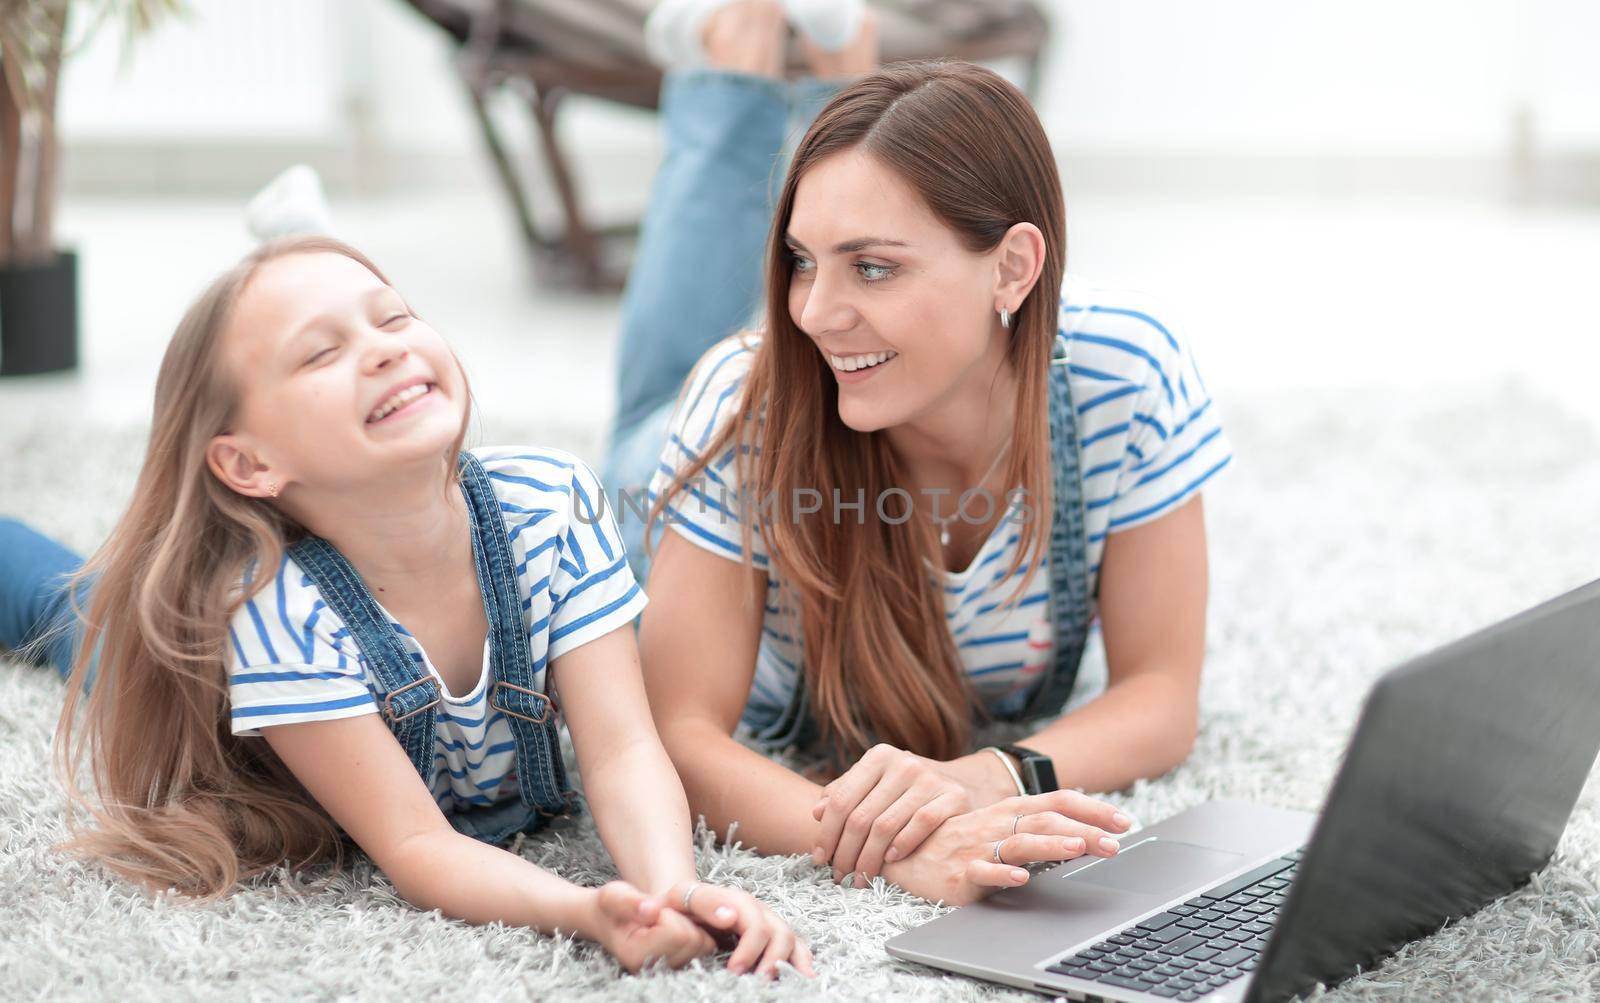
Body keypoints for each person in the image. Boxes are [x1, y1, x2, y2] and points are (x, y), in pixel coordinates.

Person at [0, 235, 811, 978]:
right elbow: (417, 842)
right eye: (323, 351)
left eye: (394, 316)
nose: (385, 347)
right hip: (207, 671)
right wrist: (580, 911)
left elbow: (624, 749)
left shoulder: (553, 501)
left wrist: (670, 888)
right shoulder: (268, 610)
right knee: (81, 610)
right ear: (247, 461)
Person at [602, 1, 1229, 906]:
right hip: (689, 453)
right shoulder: (738, 406)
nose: (811, 310)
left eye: (875, 266)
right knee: (657, 409)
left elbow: (1163, 693)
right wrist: (888, 847)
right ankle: (730, 58)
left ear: (1013, 268)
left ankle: (815, 55)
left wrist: (985, 777)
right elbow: (677, 735)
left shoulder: (1125, 374)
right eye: (801, 259)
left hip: (789, 399)